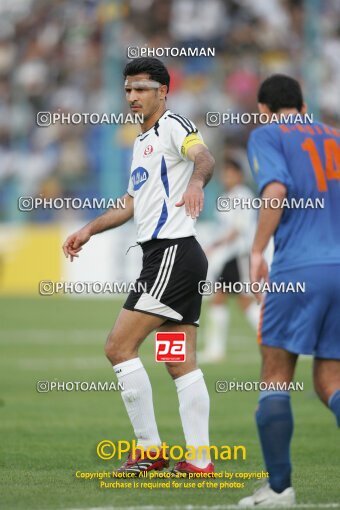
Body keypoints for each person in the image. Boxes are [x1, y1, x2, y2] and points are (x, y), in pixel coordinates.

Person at [62, 57, 215, 475]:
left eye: (141, 89)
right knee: (177, 360)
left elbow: (203, 157)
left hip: (171, 254)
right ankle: (199, 461)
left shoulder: (174, 126)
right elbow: (130, 204)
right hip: (174, 258)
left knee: (118, 347)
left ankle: (149, 451)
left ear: (163, 91)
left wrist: (197, 181)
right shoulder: (141, 140)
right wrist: (89, 228)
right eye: (128, 89)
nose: (132, 96)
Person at [239, 74, 340, 507]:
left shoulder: (267, 134)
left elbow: (276, 189)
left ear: (264, 107)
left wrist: (258, 249)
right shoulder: (334, 136)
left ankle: (279, 488)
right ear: (302, 103)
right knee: (332, 379)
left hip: (299, 267)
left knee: (276, 374)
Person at [199, 158, 259, 363]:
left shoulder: (243, 195)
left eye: (230, 173)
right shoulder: (226, 197)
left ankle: (275, 341)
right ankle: (215, 349)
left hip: (239, 255)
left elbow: (237, 229)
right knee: (222, 299)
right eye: (224, 173)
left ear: (239, 175)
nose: (226, 177)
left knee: (244, 301)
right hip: (229, 257)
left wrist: (214, 246)